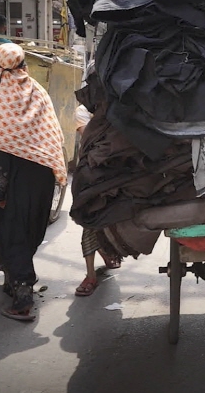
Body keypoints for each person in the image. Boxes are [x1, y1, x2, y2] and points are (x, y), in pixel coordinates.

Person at [0, 43, 67, 321]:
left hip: (8, 174)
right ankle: (12, 274)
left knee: (12, 230)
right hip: (41, 174)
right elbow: (53, 135)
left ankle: (22, 295)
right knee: (31, 228)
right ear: (23, 65)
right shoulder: (38, 92)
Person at [72, 104, 123, 297]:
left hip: (115, 172)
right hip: (90, 175)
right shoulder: (82, 111)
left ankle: (106, 252)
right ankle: (90, 275)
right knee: (89, 222)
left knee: (108, 219)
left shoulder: (115, 106)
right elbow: (91, 138)